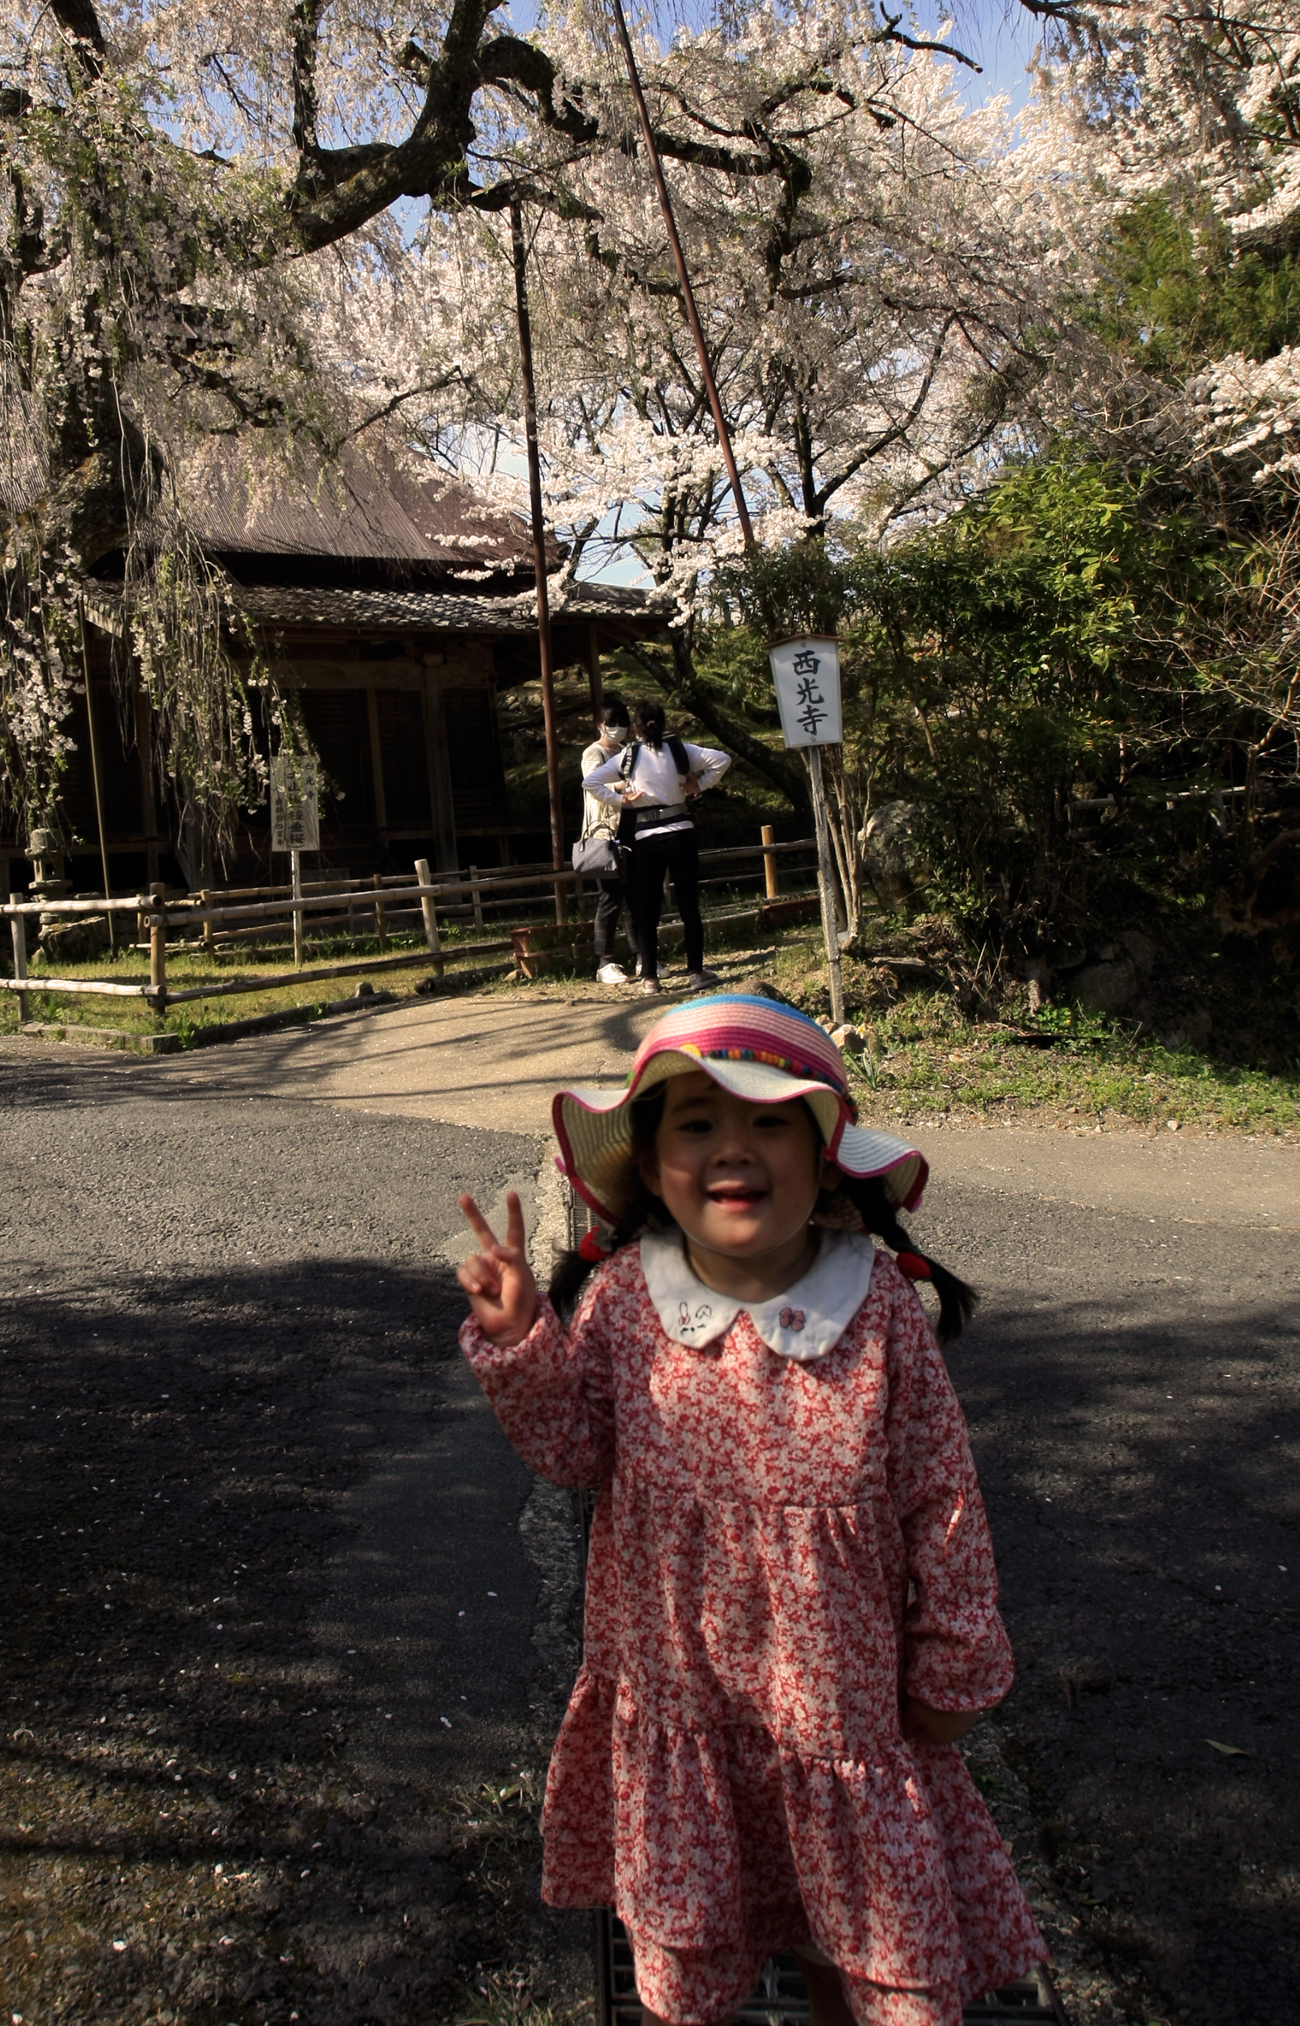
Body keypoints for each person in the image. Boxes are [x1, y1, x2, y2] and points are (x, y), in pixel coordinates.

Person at [455, 992, 1045, 2026]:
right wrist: (522, 1347)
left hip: (839, 1711)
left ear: (825, 1154)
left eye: (770, 1118)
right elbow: (576, 1451)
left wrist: (956, 1658)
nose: (734, 1147)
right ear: (648, 1164)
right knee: (697, 1950)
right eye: (696, 1123)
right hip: (684, 1707)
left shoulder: (879, 1316)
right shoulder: (628, 1300)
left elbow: (942, 1498)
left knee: (851, 1937)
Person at [583, 699, 730, 995]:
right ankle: (697, 971)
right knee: (689, 905)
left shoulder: (629, 755)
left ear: (635, 728)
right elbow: (721, 759)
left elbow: (591, 783)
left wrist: (621, 800)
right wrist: (699, 786)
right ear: (663, 724)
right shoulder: (680, 749)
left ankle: (649, 977)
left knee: (648, 906)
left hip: (646, 837)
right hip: (681, 831)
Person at [581, 698, 634, 985]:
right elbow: (592, 784)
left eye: (622, 723)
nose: (618, 728)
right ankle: (605, 963)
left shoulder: (630, 751)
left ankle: (643, 957)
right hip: (605, 832)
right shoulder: (594, 753)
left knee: (636, 895)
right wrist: (622, 786)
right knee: (610, 897)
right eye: (611, 723)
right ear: (599, 724)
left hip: (632, 827)